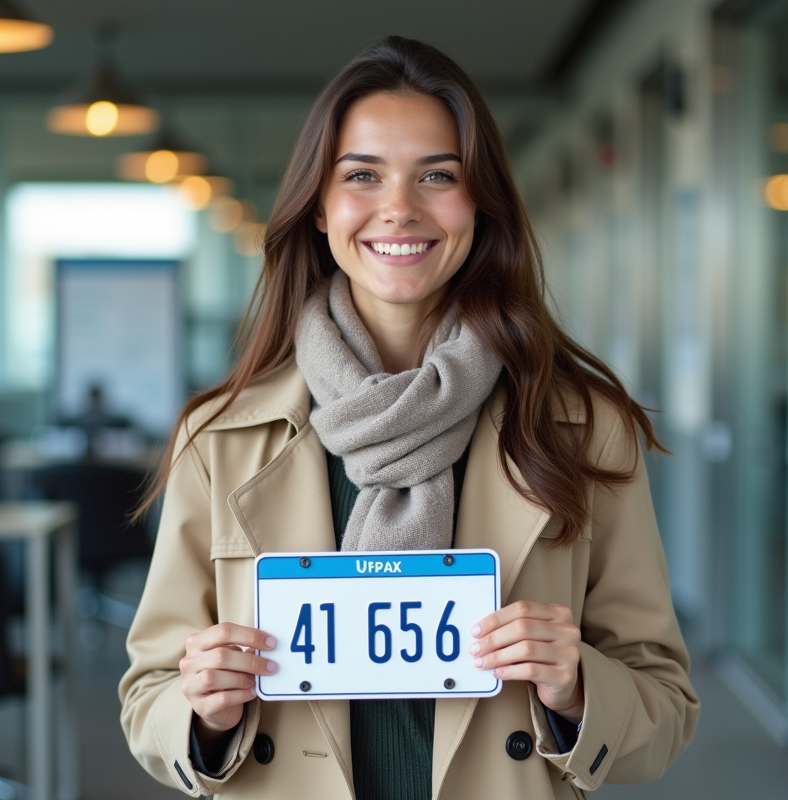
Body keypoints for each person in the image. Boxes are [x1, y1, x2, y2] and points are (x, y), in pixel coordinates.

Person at [119, 35, 698, 800]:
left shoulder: (582, 426)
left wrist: (579, 688)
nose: (399, 208)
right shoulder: (221, 439)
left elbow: (664, 706)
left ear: (481, 203)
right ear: (319, 207)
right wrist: (202, 713)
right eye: (362, 175)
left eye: (438, 176)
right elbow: (147, 696)